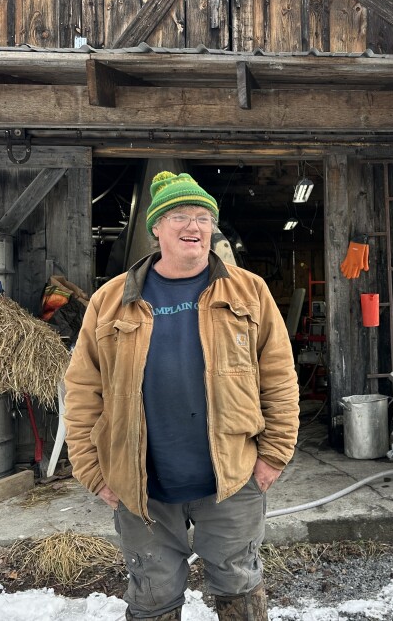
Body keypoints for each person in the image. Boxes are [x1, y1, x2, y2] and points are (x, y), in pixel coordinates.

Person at [64, 171, 300, 621]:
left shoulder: (250, 291)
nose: (194, 226)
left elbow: (279, 377)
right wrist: (93, 471)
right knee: (152, 597)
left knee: (240, 585)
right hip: (143, 487)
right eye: (179, 216)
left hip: (232, 479)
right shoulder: (109, 301)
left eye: (203, 217)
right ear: (156, 227)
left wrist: (273, 456)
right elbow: (82, 391)